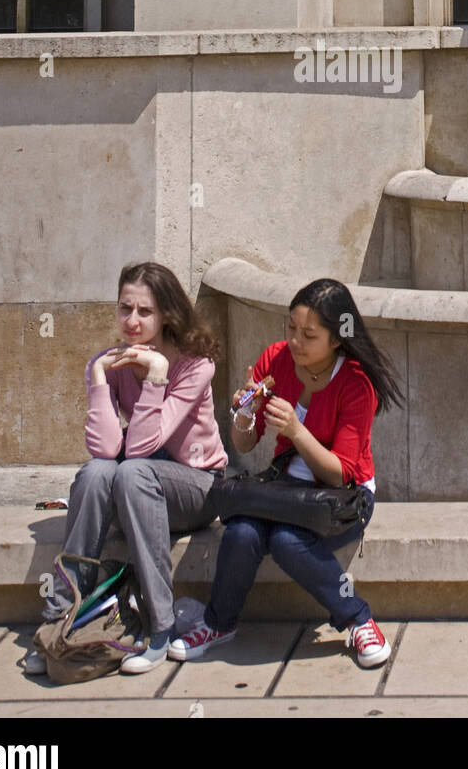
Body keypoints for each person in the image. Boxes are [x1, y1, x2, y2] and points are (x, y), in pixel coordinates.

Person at [169, 279, 404, 669]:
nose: (295, 341)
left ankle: (358, 619)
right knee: (242, 532)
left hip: (345, 496)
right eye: (291, 328)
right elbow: (244, 444)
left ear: (337, 339)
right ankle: (217, 623)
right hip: (284, 489)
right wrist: (244, 413)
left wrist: (297, 431)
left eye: (309, 335)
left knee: (286, 541)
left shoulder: (357, 383)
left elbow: (338, 475)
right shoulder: (276, 360)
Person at [25, 261, 228, 675]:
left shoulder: (195, 365)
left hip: (197, 489)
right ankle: (58, 623)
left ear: (168, 314)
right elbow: (104, 449)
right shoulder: (111, 363)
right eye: (124, 309)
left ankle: (161, 627)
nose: (132, 321)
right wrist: (98, 375)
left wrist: (156, 376)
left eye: (145, 312)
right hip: (137, 487)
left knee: (132, 471)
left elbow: (141, 448)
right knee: (96, 473)